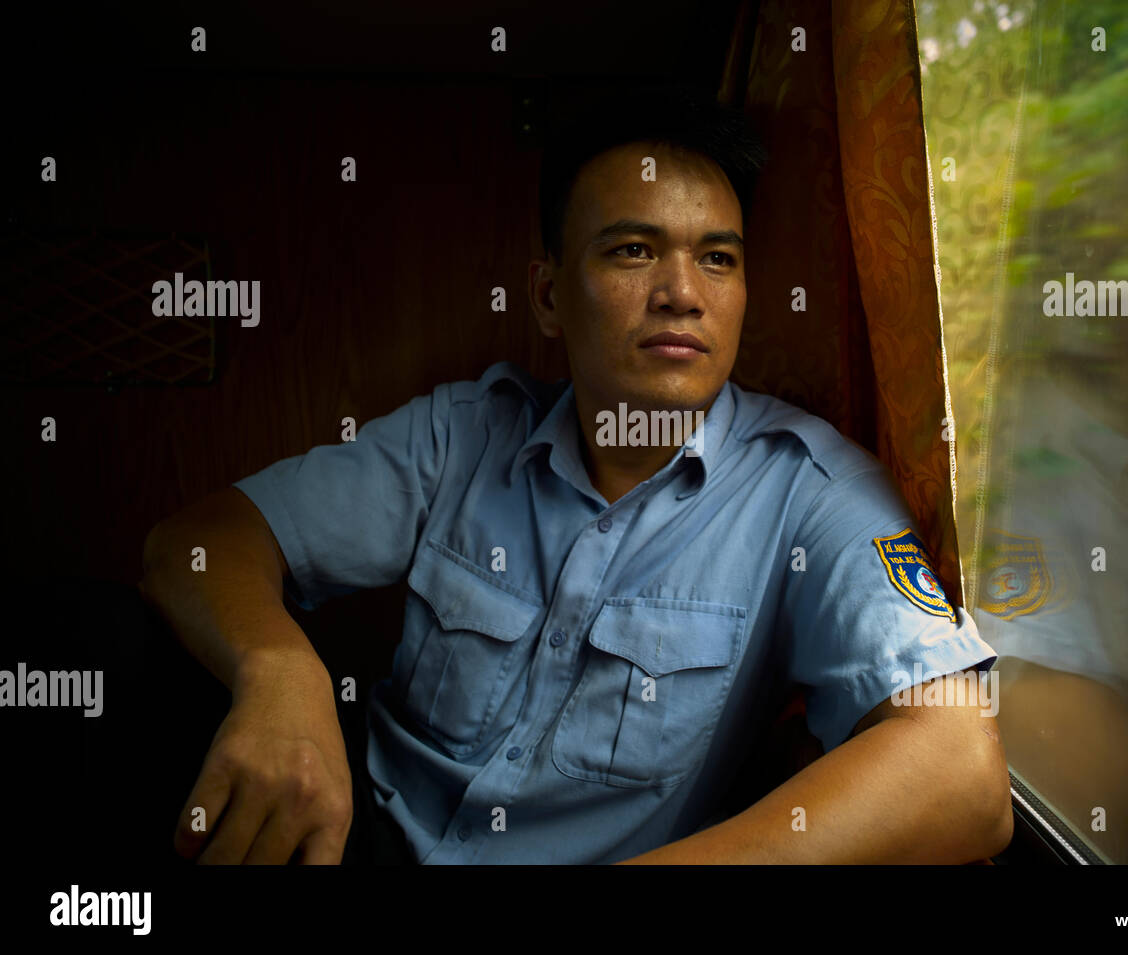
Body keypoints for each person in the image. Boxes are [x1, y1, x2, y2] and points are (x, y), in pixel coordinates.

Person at [137, 84, 1012, 865]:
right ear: (550, 295)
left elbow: (961, 771)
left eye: (719, 257)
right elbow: (197, 542)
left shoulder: (809, 490)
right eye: (633, 251)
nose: (682, 291)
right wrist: (284, 677)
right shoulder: (464, 434)